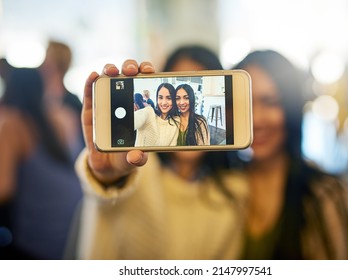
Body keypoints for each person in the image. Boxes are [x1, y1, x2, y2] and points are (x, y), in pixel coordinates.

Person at [73, 46, 247, 259]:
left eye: (187, 96)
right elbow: (103, 198)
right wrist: (107, 177)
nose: (181, 102)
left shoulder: (231, 194)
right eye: (175, 97)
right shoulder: (141, 170)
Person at [234, 50, 348, 259]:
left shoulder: (326, 194)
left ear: (291, 107)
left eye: (270, 102)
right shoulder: (220, 186)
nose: (255, 120)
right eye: (243, 103)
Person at [0, 68, 82, 259]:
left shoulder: (13, 124)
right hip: (74, 226)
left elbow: (4, 188)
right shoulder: (59, 117)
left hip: (42, 237)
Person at [39, 40, 84, 161]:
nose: (42, 63)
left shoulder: (73, 102)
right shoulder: (35, 97)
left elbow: (78, 147)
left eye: (47, 55)